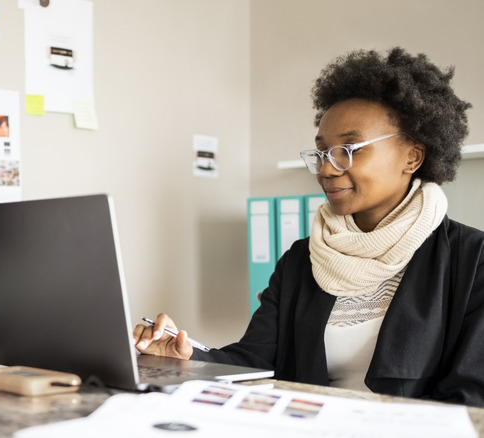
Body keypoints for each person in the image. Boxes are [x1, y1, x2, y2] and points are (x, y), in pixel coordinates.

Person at [134, 47, 484, 407]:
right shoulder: (303, 259)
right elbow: (255, 362)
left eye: (350, 149)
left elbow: (471, 397)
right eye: (321, 152)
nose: (327, 169)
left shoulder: (472, 261)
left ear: (412, 156)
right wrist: (186, 357)